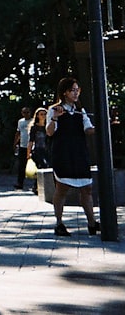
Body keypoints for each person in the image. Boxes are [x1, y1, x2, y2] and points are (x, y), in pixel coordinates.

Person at [46, 77, 99, 237]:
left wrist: (103, 124)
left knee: (87, 188)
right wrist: (56, 117)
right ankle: (59, 223)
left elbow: (88, 129)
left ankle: (92, 223)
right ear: (65, 93)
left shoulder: (79, 110)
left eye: (77, 90)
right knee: (62, 188)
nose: (76, 93)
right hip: (63, 153)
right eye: (73, 90)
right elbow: (49, 132)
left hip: (79, 152)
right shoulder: (54, 109)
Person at [13, 107, 32, 190]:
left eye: (27, 112)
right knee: (21, 165)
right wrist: (15, 143)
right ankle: (20, 183)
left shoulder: (33, 121)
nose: (26, 114)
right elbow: (18, 132)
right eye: (24, 112)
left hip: (31, 146)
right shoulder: (20, 121)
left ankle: (36, 185)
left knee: (35, 165)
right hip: (22, 145)